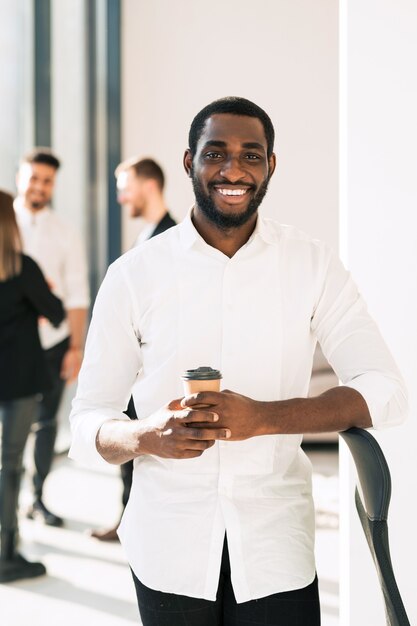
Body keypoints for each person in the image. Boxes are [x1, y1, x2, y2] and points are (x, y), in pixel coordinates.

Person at [69, 97, 407, 626]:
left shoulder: (313, 265)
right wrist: (147, 437)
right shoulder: (133, 275)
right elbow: (87, 418)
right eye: (215, 153)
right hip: (168, 552)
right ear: (189, 163)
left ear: (270, 166)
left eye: (251, 155)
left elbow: (385, 388)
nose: (233, 170)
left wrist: (265, 418)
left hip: (276, 550)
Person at [91, 156, 176, 541]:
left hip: (156, 366)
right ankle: (129, 520)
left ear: (149, 185)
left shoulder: (170, 239)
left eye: (124, 186)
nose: (120, 196)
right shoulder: (147, 236)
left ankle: (134, 523)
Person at [14, 149, 90, 527]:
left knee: (46, 424)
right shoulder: (3, 222)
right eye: (33, 178)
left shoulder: (65, 232)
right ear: (20, 177)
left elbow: (77, 294)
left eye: (47, 180)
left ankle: (37, 498)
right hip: (10, 344)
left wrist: (75, 347)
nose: (39, 186)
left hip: (53, 344)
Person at [0, 190, 65, 583]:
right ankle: (6, 552)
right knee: (9, 465)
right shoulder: (23, 269)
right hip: (19, 381)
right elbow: (56, 313)